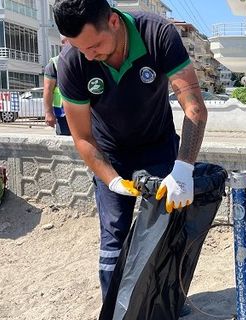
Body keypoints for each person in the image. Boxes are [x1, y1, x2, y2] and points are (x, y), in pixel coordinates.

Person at [53, 0, 208, 301]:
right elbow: (83, 137)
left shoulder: (158, 34)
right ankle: (114, 315)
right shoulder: (72, 61)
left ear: (113, 22)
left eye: (94, 45)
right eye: (80, 47)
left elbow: (194, 108)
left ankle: (168, 303)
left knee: (167, 229)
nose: (89, 55)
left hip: (159, 146)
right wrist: (111, 180)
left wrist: (184, 168)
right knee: (114, 234)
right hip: (109, 153)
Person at [43, 39, 71, 136]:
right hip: (63, 116)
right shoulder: (54, 63)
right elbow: (48, 89)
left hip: (85, 113)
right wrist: (48, 113)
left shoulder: (86, 59)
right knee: (65, 145)